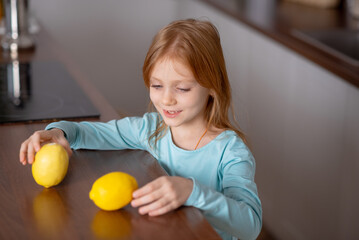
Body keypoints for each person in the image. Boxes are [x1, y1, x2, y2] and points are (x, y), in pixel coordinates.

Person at [19, 19, 262, 240]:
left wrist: (192, 191)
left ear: (212, 86)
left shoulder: (230, 152)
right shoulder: (152, 129)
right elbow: (89, 134)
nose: (166, 100)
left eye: (182, 89)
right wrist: (58, 132)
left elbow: (250, 226)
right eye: (157, 85)